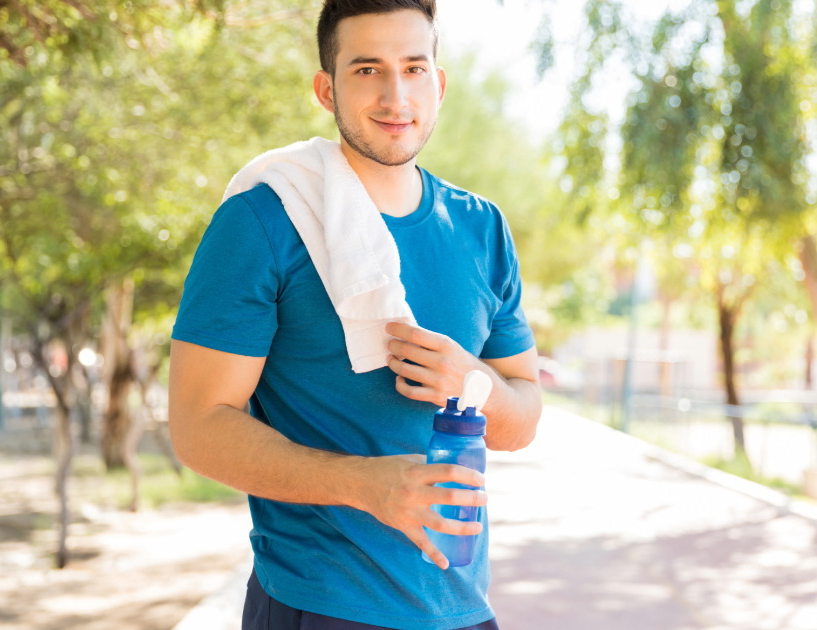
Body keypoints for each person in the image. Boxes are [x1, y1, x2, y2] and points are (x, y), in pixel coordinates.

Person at [167, 1, 543, 628]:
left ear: (439, 83)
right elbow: (198, 427)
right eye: (367, 70)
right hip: (318, 606)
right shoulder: (263, 221)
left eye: (414, 68)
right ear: (326, 89)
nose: (396, 95)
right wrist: (366, 486)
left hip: (462, 609)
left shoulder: (483, 229)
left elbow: (523, 418)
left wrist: (472, 384)